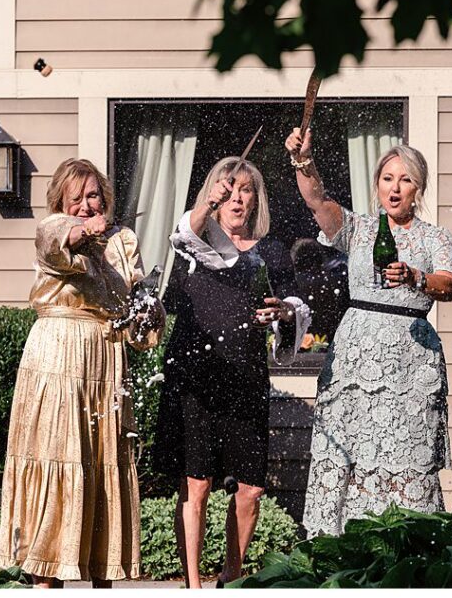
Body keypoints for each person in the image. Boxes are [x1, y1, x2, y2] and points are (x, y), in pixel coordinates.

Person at [0, 158, 166, 588]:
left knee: (102, 463)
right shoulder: (51, 227)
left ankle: (101, 577)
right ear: (61, 202)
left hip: (106, 362)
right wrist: (81, 229)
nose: (88, 205)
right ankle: (43, 579)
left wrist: (149, 312)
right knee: (57, 456)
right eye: (78, 198)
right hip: (58, 359)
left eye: (94, 195)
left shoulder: (124, 240)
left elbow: (137, 306)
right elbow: (60, 240)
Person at [285, 127, 452, 537]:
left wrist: (417, 277)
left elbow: (448, 284)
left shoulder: (435, 236)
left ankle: (407, 549)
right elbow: (317, 199)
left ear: (418, 187)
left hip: (410, 362)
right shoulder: (359, 229)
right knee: (346, 457)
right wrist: (302, 160)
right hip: (354, 357)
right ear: (377, 184)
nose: (395, 188)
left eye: (405, 180)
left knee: (405, 457)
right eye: (387, 178)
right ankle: (342, 555)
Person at [152, 157, 310, 588]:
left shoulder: (271, 251)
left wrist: (282, 311)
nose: (238, 198)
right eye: (230, 190)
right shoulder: (195, 244)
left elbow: (295, 307)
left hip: (246, 377)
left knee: (250, 488)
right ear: (215, 196)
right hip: (196, 377)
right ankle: (193, 585)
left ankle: (231, 578)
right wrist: (206, 203)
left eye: (247, 191)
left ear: (257, 200)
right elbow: (182, 233)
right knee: (197, 484)